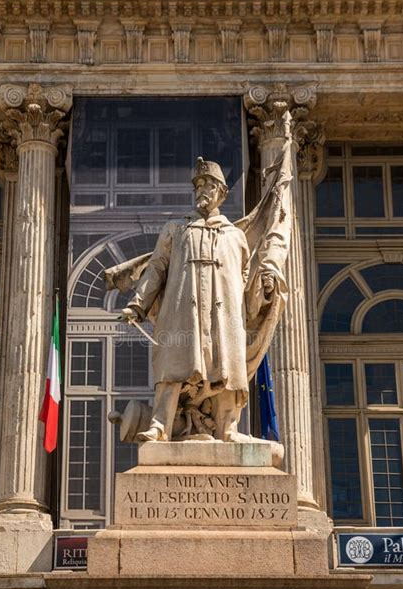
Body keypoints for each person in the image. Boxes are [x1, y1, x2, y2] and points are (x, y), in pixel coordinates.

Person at [109, 139, 293, 443]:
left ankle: (228, 429)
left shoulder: (236, 237)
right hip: (182, 314)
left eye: (208, 187)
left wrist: (265, 288)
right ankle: (160, 426)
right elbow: (156, 269)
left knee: (227, 372)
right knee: (171, 368)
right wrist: (138, 305)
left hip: (224, 318)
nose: (201, 192)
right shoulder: (176, 230)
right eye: (198, 187)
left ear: (221, 193)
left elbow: (245, 282)